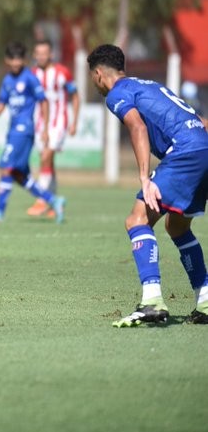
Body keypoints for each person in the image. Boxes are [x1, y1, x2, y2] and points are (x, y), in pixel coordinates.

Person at [87, 44, 208, 326]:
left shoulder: (117, 93)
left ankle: (152, 301)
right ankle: (205, 299)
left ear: (98, 74)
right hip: (202, 149)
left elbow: (137, 127)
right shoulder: (151, 86)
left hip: (184, 153)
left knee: (137, 219)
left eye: (93, 77)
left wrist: (145, 178)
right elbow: (198, 121)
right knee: (177, 226)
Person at [0, 42, 66, 225]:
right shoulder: (7, 80)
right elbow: (2, 104)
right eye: (12, 59)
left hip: (24, 130)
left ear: (24, 60)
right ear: (7, 60)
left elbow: (43, 101)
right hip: (13, 130)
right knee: (19, 175)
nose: (16, 62)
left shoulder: (29, 78)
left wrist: (45, 129)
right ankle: (53, 200)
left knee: (5, 166)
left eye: (19, 59)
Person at [27, 40, 80, 218]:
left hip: (58, 121)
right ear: (35, 55)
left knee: (46, 156)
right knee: (48, 162)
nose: (41, 56)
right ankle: (54, 203)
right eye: (38, 53)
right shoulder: (32, 74)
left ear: (51, 54)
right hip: (40, 123)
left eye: (45, 53)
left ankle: (42, 199)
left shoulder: (62, 72)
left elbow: (75, 96)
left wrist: (74, 121)